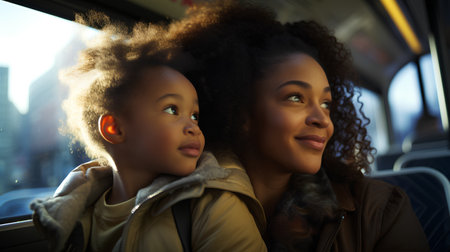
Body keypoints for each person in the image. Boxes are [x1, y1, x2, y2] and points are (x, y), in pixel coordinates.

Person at [165, 1, 430, 251]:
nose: (322, 119)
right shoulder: (172, 206)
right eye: (296, 98)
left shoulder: (380, 211)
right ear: (239, 112)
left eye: (326, 103)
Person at [30, 13, 266, 251]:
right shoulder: (77, 216)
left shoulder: (213, 205)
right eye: (172, 109)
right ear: (114, 128)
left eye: (195, 115)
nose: (193, 127)